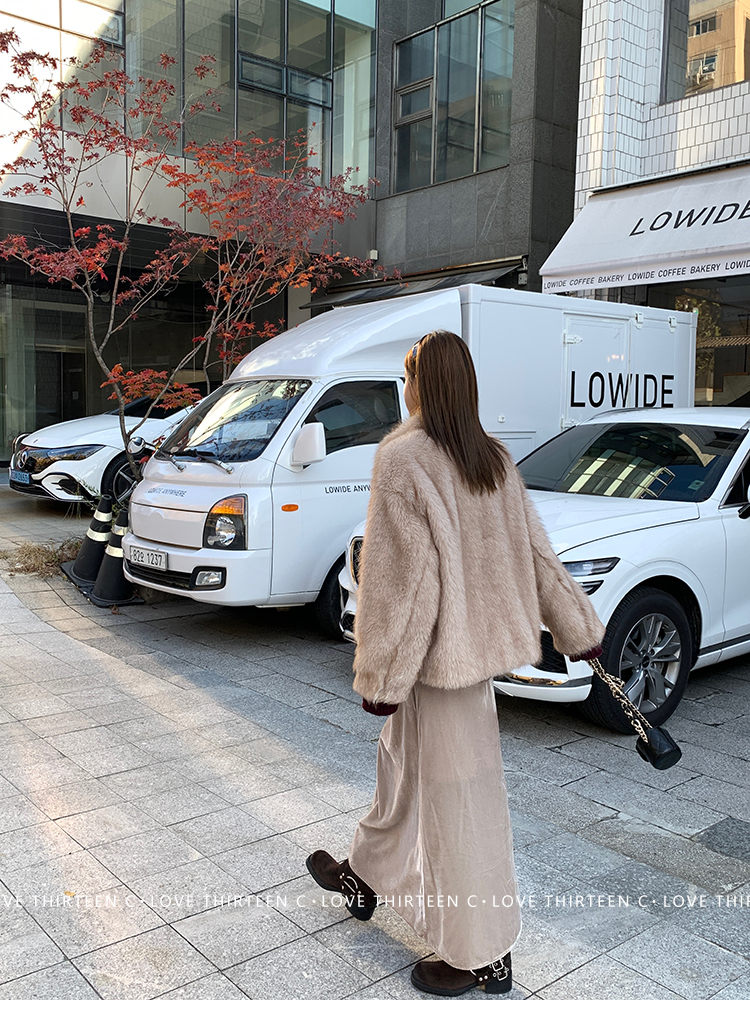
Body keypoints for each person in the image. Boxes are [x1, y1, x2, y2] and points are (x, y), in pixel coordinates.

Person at [306, 330, 605, 997]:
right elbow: (537, 555)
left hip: (436, 666)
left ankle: (481, 954)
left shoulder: (405, 457)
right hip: (456, 662)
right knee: (401, 773)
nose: (405, 385)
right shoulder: (491, 456)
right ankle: (365, 874)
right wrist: (577, 626)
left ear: (421, 383)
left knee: (461, 803)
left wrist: (382, 676)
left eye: (408, 374)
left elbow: (402, 585)